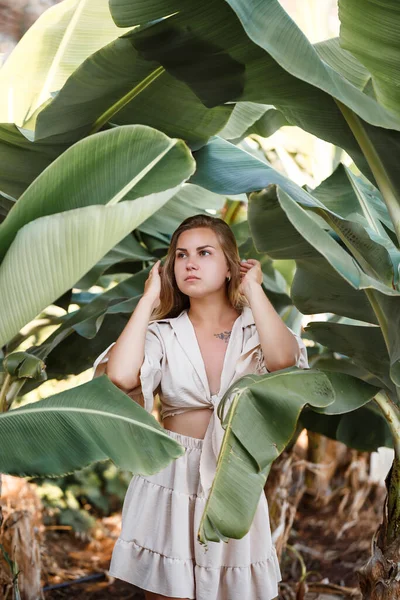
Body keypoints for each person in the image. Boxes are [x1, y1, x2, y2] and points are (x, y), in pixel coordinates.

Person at [93, 214, 309, 600]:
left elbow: (284, 363)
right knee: (167, 593)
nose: (190, 263)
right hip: (170, 474)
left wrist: (255, 291)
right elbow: (121, 376)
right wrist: (148, 301)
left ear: (229, 266)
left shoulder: (255, 328)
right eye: (181, 255)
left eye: (204, 253)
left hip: (233, 473)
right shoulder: (163, 333)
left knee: (235, 590)